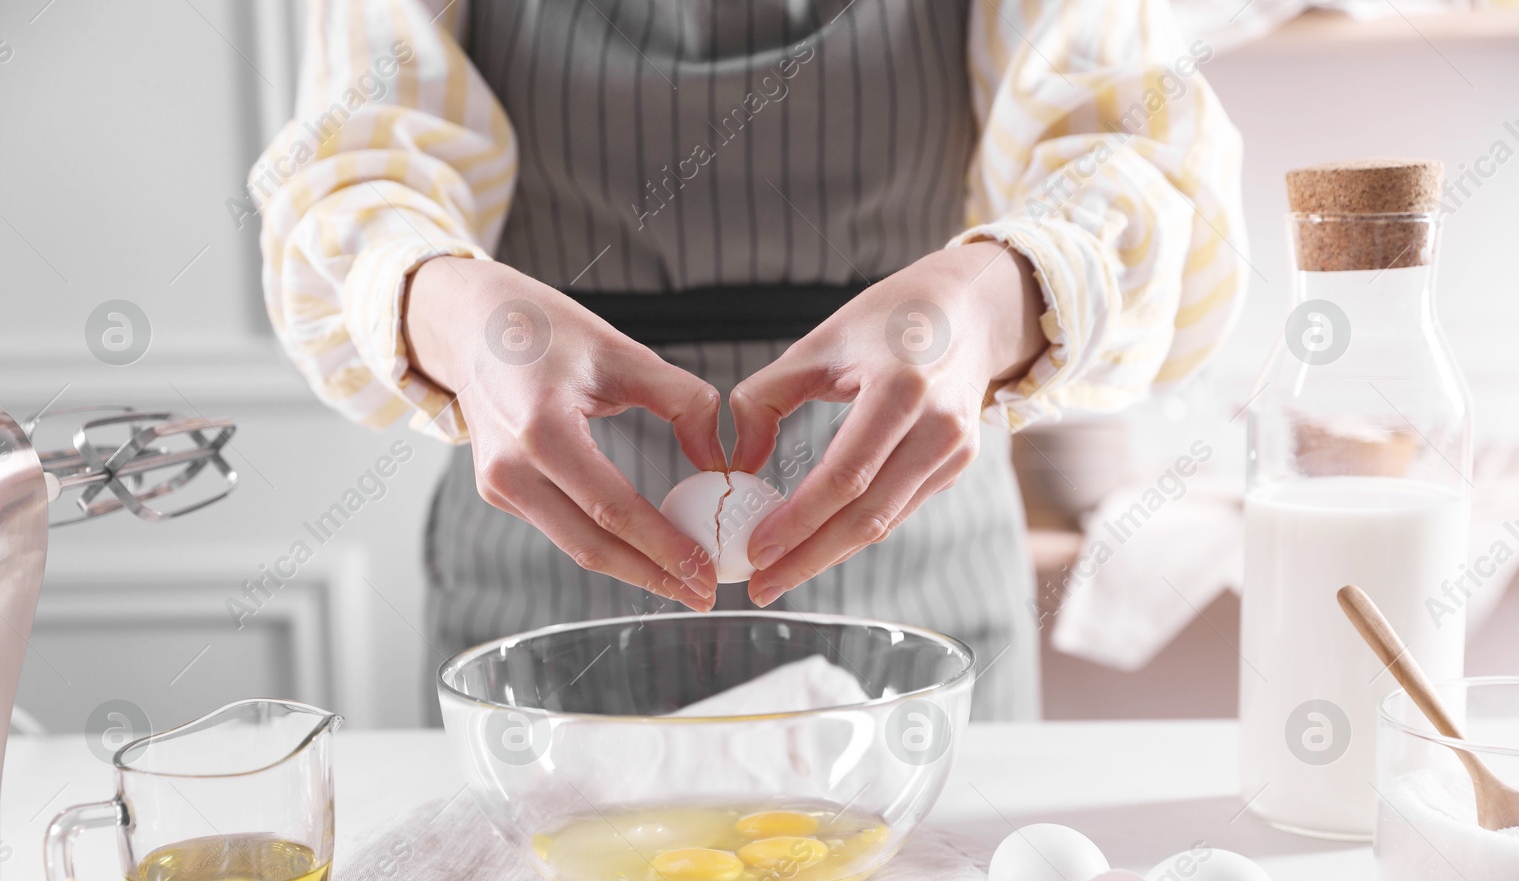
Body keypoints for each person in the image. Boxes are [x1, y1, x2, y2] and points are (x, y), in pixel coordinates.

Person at [252, 0, 1246, 721]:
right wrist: (448, 305)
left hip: (923, 589)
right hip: (538, 604)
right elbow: (352, 170)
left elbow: (1133, 143)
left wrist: (990, 299)